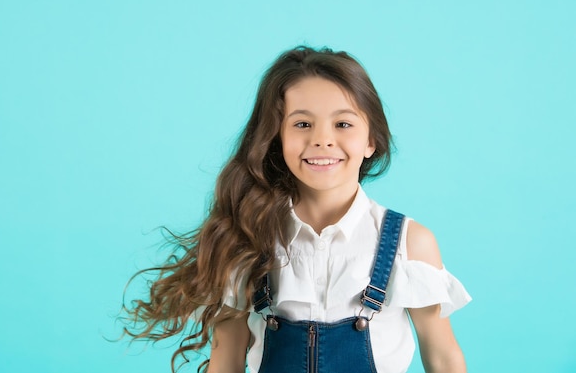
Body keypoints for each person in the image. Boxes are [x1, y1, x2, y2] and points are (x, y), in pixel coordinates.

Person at [123, 46, 471, 373]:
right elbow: (226, 357)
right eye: (302, 124)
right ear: (276, 138)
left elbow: (442, 356)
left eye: (343, 124)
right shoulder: (247, 235)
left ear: (371, 141)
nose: (322, 139)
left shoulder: (410, 244)